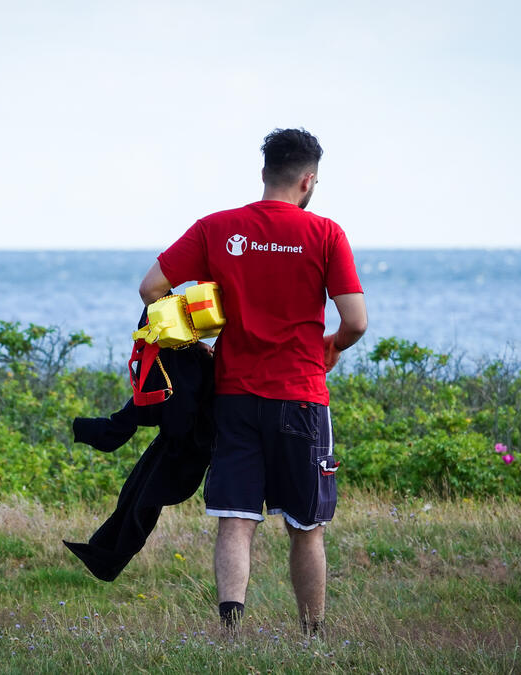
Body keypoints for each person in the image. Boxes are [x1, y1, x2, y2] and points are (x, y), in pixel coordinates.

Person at [138, 128, 368, 635]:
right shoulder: (327, 234)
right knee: (306, 527)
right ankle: (313, 635)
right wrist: (330, 348)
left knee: (235, 519)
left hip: (235, 396)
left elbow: (151, 287)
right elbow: (355, 321)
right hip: (301, 397)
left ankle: (231, 631)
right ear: (308, 181)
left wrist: (193, 343)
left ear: (264, 173)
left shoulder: (217, 227)